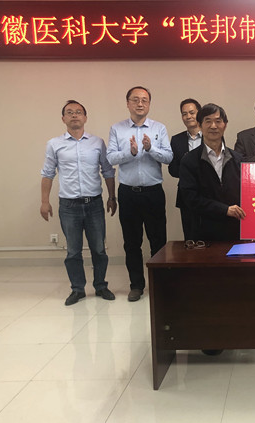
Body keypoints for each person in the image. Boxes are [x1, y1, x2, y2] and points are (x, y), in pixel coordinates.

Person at [40, 100, 117, 306]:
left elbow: (108, 171)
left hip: (94, 205)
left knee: (99, 249)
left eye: (78, 112)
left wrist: (112, 197)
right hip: (69, 206)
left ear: (85, 117)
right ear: (63, 118)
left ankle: (100, 286)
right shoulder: (54, 144)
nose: (74, 115)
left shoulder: (97, 142)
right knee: (73, 251)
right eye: (70, 112)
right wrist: (44, 202)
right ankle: (77, 289)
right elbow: (47, 173)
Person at [106, 86, 173, 302]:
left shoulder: (159, 128)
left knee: (158, 241)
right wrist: (131, 152)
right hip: (128, 193)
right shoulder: (117, 129)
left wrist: (150, 149)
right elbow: (110, 158)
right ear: (128, 103)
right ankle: (136, 285)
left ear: (149, 104)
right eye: (135, 99)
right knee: (132, 242)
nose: (140, 103)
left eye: (144, 100)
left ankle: (159, 285)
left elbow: (169, 157)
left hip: (153, 192)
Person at [179, 103, 246, 241]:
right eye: (208, 121)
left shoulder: (238, 159)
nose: (213, 126)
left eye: (218, 121)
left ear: (225, 125)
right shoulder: (189, 161)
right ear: (199, 125)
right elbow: (190, 198)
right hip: (203, 233)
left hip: (235, 232)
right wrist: (224, 210)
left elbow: (246, 195)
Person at [168, 98, 202, 240]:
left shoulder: (211, 136)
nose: (188, 116)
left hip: (209, 193)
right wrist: (187, 167)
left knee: (211, 238)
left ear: (199, 113)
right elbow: (172, 169)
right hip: (186, 194)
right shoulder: (177, 140)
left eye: (192, 113)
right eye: (184, 114)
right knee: (190, 236)